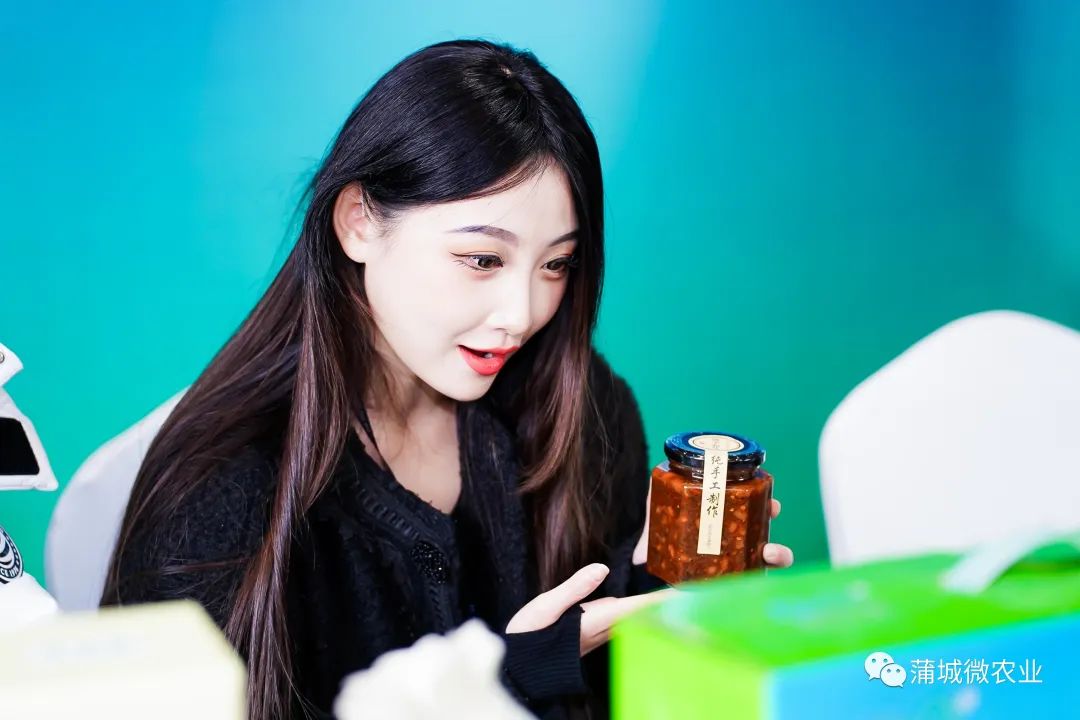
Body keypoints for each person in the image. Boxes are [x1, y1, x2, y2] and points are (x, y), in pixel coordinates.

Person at [101, 39, 794, 720]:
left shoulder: (583, 406)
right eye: (483, 260)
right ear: (358, 223)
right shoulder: (222, 493)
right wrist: (503, 683)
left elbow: (615, 691)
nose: (522, 314)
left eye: (555, 265)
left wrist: (658, 590)